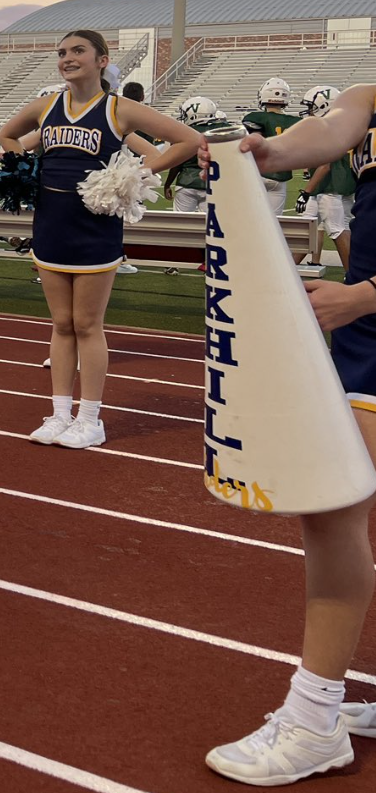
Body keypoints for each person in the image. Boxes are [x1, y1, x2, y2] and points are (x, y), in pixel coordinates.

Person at [198, 83, 376, 784]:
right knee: (338, 511)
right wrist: (265, 152)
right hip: (365, 341)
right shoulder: (370, 95)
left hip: (365, 314)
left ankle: (312, 721)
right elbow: (328, 131)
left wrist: (364, 296)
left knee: (334, 514)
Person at [0, 29, 198, 449]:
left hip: (94, 229)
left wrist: (140, 174)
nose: (67, 58)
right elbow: (7, 136)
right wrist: (23, 169)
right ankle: (58, 414)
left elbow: (189, 140)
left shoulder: (119, 110)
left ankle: (90, 419)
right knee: (62, 323)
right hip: (50, 225)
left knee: (87, 324)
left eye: (78, 51)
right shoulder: (46, 106)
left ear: (102, 60)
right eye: (62, 53)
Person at [297, 86, 354, 273]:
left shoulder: (329, 128)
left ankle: (352, 275)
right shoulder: (343, 125)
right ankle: (286, 271)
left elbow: (324, 165)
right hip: (334, 187)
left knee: (336, 229)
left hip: (329, 188)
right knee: (307, 228)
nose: (310, 111)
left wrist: (306, 192)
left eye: (313, 106)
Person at [161, 96, 228, 215]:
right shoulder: (221, 130)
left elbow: (177, 162)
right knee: (208, 225)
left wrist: (167, 184)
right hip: (212, 183)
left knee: (180, 223)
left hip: (186, 183)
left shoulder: (183, 132)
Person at [245, 78, 300, 215]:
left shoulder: (255, 117)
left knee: (252, 216)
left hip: (259, 172)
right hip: (280, 174)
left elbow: (251, 142)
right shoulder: (296, 122)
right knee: (275, 221)